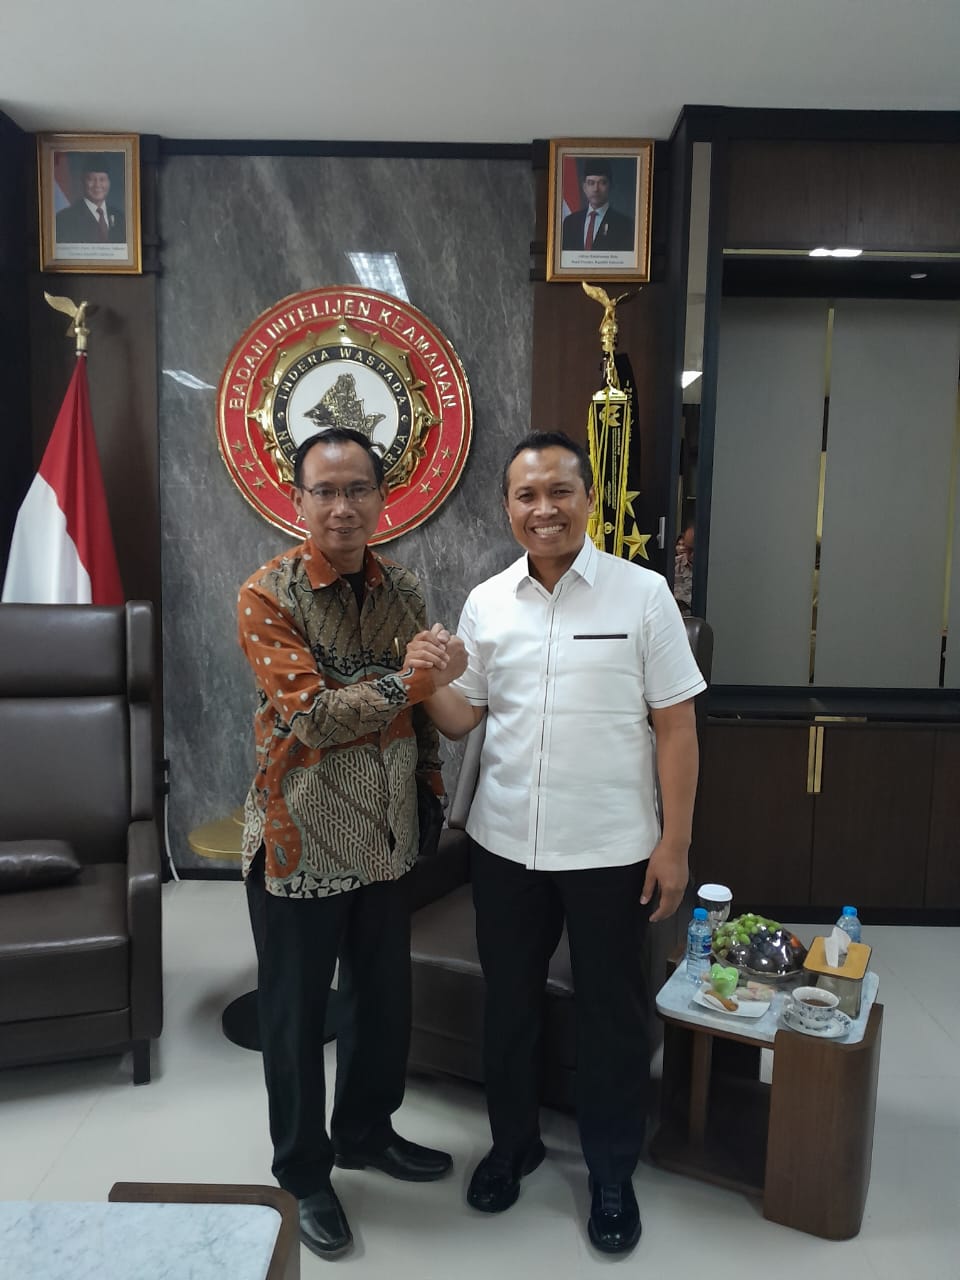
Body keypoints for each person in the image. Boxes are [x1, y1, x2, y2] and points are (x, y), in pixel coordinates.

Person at [422, 431, 705, 1255]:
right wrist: (427, 679)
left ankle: (612, 1171)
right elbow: (462, 718)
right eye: (526, 495)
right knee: (508, 1005)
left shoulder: (642, 596)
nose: (543, 509)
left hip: (613, 850)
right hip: (504, 844)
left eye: (559, 492)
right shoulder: (487, 602)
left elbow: (676, 727)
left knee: (612, 1015)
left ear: (587, 499)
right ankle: (513, 1147)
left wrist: (675, 844)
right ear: (507, 506)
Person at [237, 427, 465, 1260]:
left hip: (386, 833)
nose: (342, 506)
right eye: (325, 491)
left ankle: (366, 1131)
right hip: (299, 834)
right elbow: (314, 718)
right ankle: (303, 1173)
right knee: (297, 1017)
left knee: (381, 999)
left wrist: (430, 786)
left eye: (357, 489)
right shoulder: (268, 594)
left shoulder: (402, 585)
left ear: (382, 497)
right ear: (297, 500)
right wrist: (412, 679)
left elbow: (425, 711)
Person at [561, 159, 635, 253]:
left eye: (602, 183)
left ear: (610, 186)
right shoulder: (570, 222)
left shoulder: (624, 225)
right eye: (591, 183)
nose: (596, 189)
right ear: (584, 187)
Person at [55, 153, 126, 244]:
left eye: (102, 179)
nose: (97, 185)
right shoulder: (65, 219)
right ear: (83, 181)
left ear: (109, 183)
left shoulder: (121, 218)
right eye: (91, 179)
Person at [674, 523, 694, 615]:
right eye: (687, 549)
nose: (690, 554)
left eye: (693, 549)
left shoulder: (712, 568)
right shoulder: (675, 564)